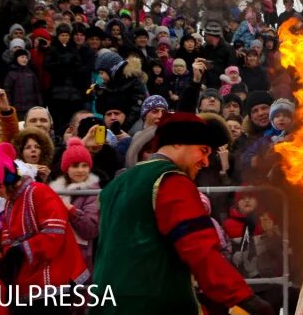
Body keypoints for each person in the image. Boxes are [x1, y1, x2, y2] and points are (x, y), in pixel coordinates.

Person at [90, 112, 274, 314]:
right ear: (177, 143)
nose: (205, 162)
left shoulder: (117, 184)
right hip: (154, 304)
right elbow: (199, 250)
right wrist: (246, 298)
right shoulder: (172, 181)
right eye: (203, 151)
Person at [0, 142, 88, 305]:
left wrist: (22, 249)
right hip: (29, 274)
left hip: (53, 274)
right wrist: (10, 252)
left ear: (7, 181)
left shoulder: (39, 191)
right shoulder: (9, 203)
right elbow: (8, 233)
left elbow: (55, 231)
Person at [48, 137, 100, 273]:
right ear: (66, 168)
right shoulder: (55, 191)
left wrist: (70, 210)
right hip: (57, 255)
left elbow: (91, 230)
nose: (80, 170)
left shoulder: (92, 192)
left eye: (85, 165)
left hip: (81, 258)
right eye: (75, 165)